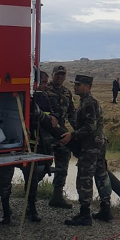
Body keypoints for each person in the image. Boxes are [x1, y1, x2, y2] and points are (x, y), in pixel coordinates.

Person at [0, 90, 63, 225]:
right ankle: (5, 211)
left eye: (44, 83)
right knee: (4, 180)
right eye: (42, 82)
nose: (43, 86)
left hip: (31, 148)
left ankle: (31, 209)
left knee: (32, 181)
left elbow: (50, 120)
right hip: (9, 146)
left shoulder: (42, 98)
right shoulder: (8, 96)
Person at [60, 74, 113, 226]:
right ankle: (106, 210)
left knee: (85, 177)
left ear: (87, 87)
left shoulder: (89, 102)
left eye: (78, 85)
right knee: (101, 175)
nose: (75, 87)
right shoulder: (86, 101)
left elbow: (90, 127)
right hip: (98, 143)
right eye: (75, 84)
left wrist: (72, 135)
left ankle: (85, 214)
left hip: (91, 145)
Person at [46, 65, 76, 209]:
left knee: (64, 157)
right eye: (57, 74)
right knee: (39, 165)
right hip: (45, 132)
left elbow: (72, 114)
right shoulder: (45, 89)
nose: (60, 77)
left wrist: (79, 132)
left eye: (62, 74)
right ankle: (30, 200)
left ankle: (57, 197)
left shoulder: (67, 92)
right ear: (52, 75)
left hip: (61, 132)